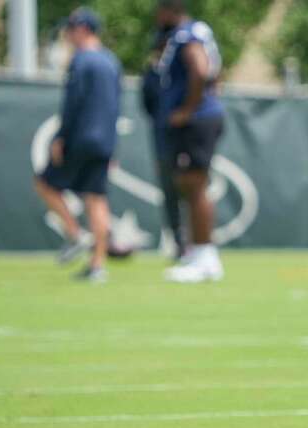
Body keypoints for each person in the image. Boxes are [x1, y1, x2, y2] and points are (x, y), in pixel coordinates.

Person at [33, 7, 122, 283]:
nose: (67, 35)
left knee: (45, 183)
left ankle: (75, 234)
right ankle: (98, 266)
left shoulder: (82, 61)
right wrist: (112, 146)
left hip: (81, 138)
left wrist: (61, 137)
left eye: (70, 29)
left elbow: (73, 104)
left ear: (82, 29)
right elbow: (115, 108)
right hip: (104, 141)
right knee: (96, 197)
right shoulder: (111, 62)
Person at [154, 0, 226, 282]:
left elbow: (200, 68)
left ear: (169, 10)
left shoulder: (186, 35)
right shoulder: (198, 30)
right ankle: (199, 252)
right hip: (203, 117)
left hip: (196, 120)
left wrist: (188, 108)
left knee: (195, 186)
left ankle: (206, 256)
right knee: (190, 184)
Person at [141, 28, 186, 261]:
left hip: (186, 139)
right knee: (170, 193)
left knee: (190, 190)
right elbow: (149, 107)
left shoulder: (182, 71)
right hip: (164, 142)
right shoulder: (153, 74)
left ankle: (198, 242)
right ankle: (179, 243)